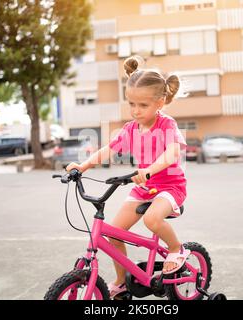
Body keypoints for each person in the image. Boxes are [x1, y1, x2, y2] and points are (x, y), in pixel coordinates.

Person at [65, 55, 189, 299]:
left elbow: (173, 151)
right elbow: (109, 149)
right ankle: (122, 282)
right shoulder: (131, 129)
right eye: (131, 104)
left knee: (152, 220)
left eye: (142, 106)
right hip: (144, 188)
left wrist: (150, 169)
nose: (135, 111)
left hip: (169, 187)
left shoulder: (166, 125)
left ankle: (176, 248)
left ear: (160, 103)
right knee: (111, 233)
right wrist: (84, 166)